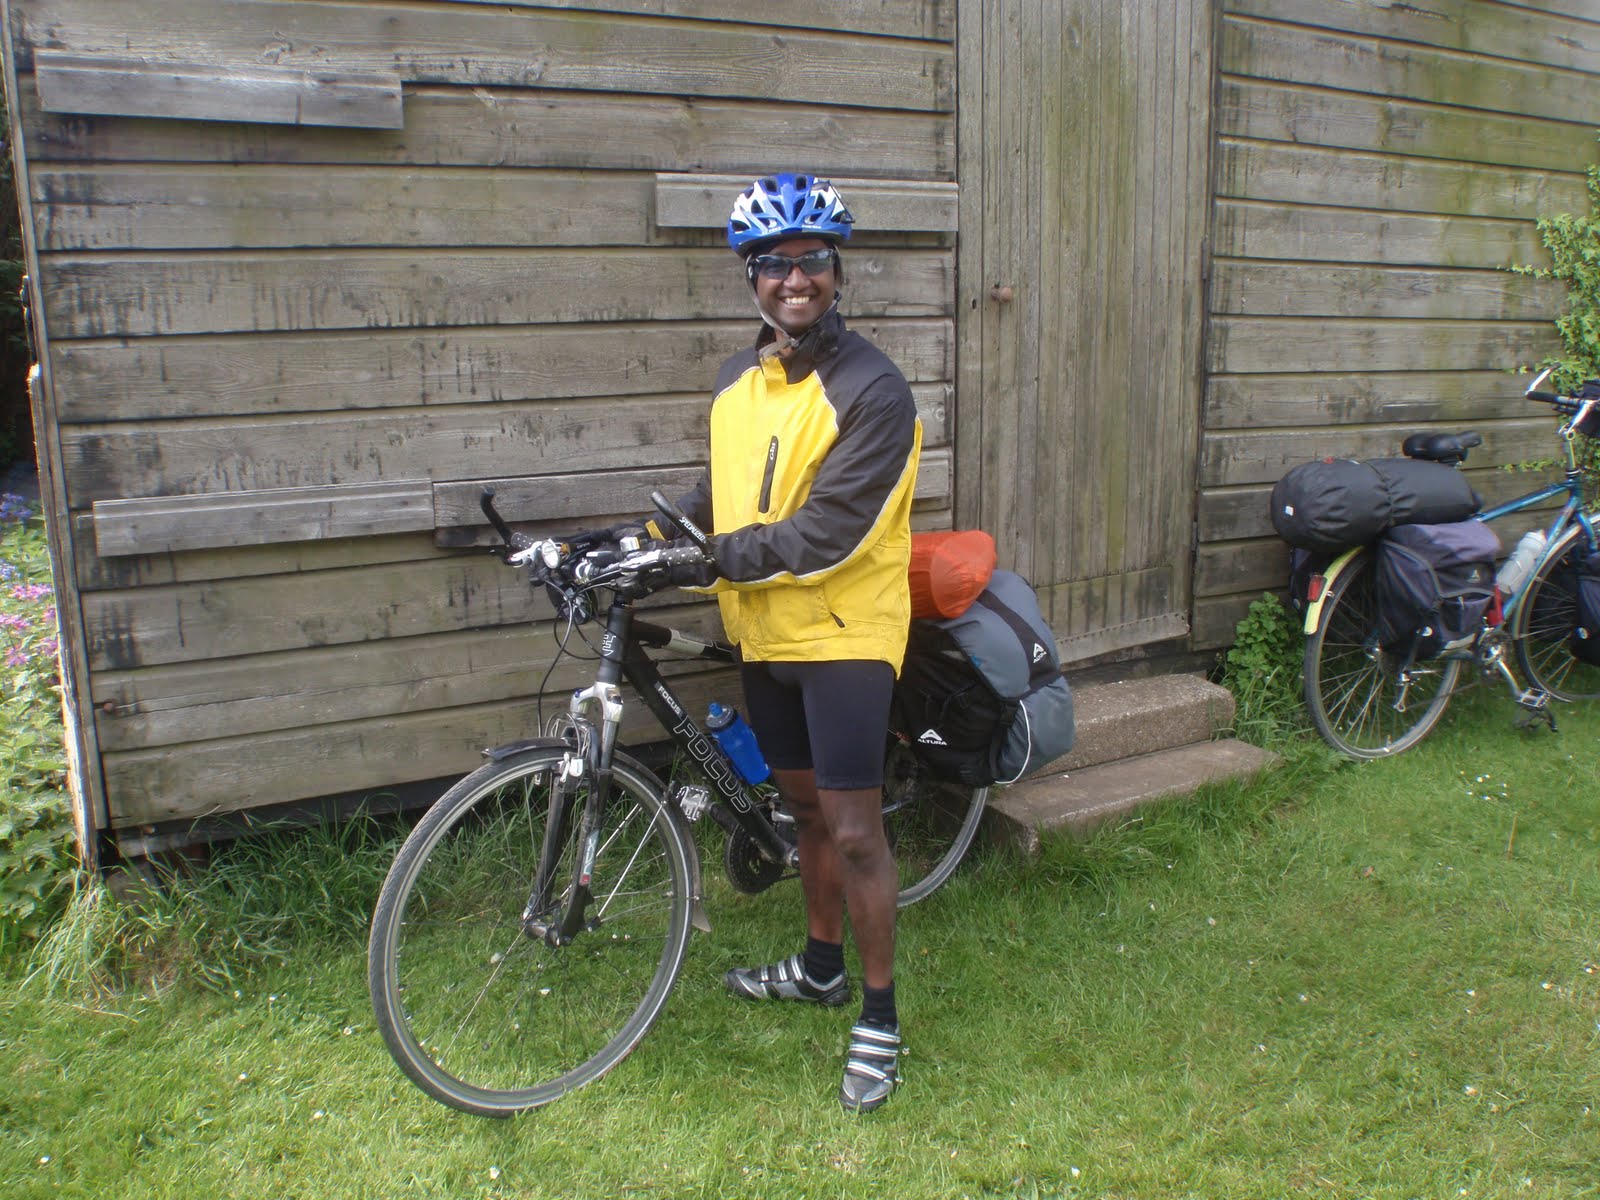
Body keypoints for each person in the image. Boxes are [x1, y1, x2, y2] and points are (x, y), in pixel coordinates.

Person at [665, 173, 922, 1112]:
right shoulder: (737, 386)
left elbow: (830, 533)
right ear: (752, 279)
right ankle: (821, 970)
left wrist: (706, 561)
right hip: (765, 631)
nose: (795, 278)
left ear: (837, 272)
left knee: (854, 832)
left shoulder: (875, 391)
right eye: (774, 264)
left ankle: (880, 1018)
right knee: (805, 814)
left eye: (812, 260)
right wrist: (635, 543)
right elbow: (715, 502)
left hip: (846, 634)